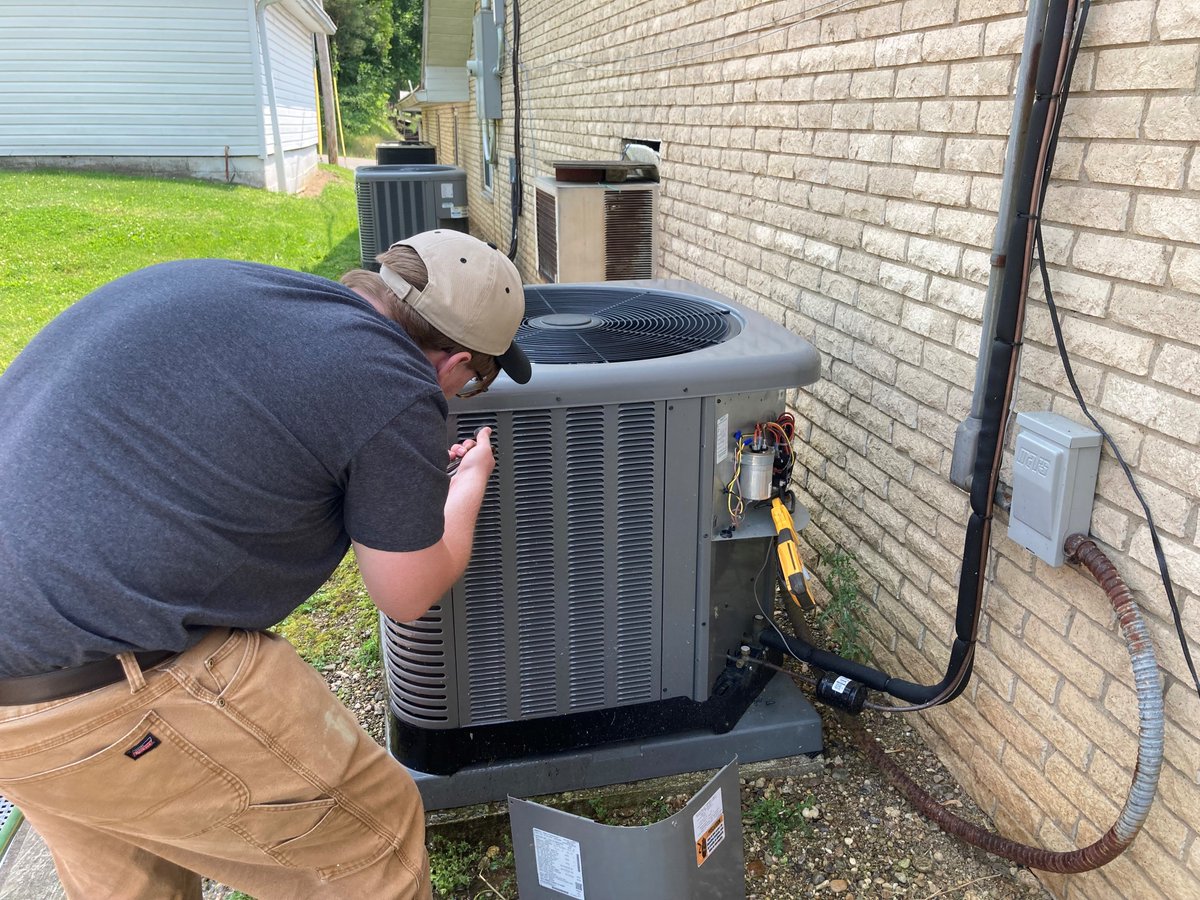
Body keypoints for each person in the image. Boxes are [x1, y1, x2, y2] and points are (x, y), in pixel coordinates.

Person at [0, 230, 530, 899]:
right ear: (456, 362)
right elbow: (406, 592)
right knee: (372, 841)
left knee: (131, 873)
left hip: (23, 683)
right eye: (475, 382)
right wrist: (470, 483)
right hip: (105, 682)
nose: (460, 393)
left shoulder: (240, 286)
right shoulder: (390, 377)